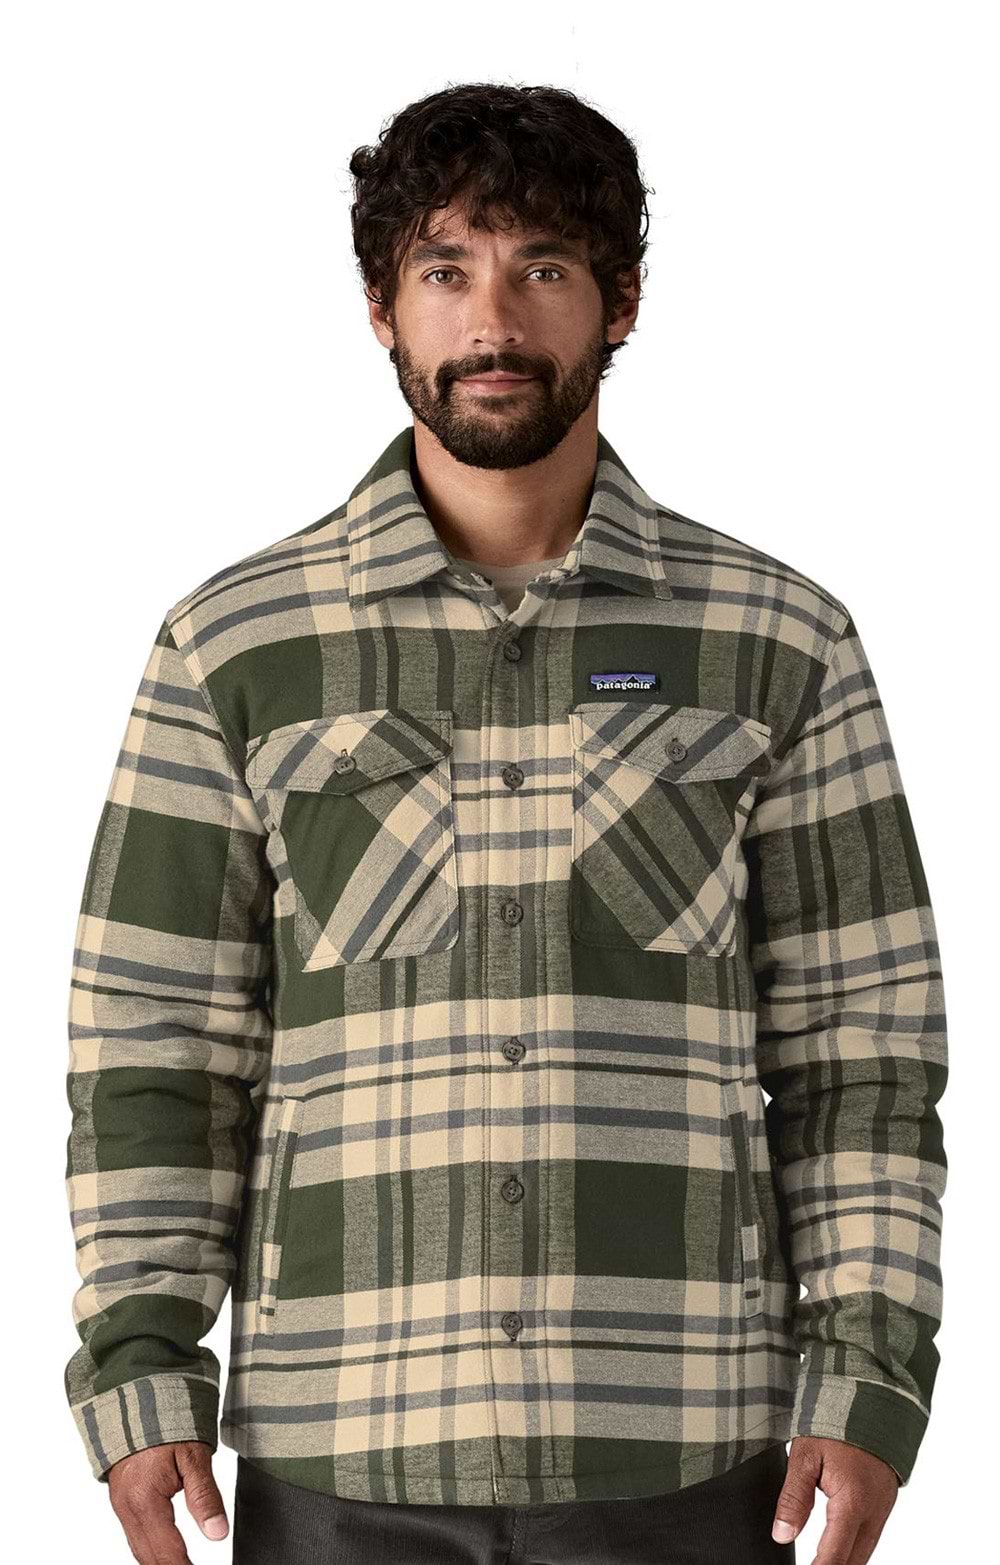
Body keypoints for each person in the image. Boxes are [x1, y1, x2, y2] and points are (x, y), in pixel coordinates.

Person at [64, 82, 948, 1565]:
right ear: (382, 308)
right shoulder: (235, 647)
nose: (493, 321)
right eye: (444, 270)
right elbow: (154, 1043)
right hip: (342, 1446)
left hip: (682, 1441)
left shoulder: (779, 641)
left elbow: (863, 1048)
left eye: (543, 267)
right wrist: (140, 1360)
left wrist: (870, 1370)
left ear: (620, 304)